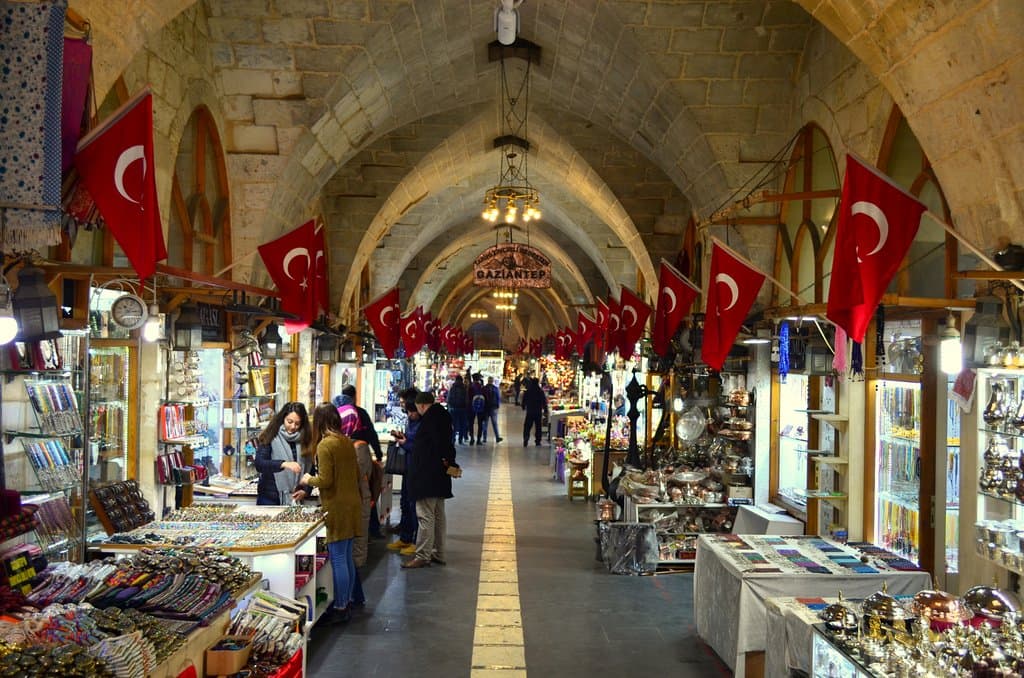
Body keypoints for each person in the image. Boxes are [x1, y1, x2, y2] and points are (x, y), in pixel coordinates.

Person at [299, 403, 362, 624]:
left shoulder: (326, 445)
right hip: (352, 503)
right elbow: (354, 473)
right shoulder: (345, 441)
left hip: (336, 506)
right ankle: (349, 600)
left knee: (338, 558)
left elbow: (325, 480)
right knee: (346, 556)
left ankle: (341, 606)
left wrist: (308, 479)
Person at [402, 391, 456, 569]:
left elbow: (427, 450)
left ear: (422, 405)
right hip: (440, 476)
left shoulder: (429, 420)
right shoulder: (443, 416)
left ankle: (423, 555)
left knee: (425, 515)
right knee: (439, 515)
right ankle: (438, 552)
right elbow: (446, 446)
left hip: (427, 476)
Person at [334, 387, 384, 538]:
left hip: (345, 466)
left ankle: (357, 534)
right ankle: (371, 531)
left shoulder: (336, 414)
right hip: (362, 458)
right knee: (366, 494)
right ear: (354, 396)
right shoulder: (359, 413)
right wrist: (379, 454)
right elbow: (371, 434)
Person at [337, 404, 373, 609]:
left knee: (354, 551)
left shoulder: (358, 446)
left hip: (358, 503)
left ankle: (353, 597)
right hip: (355, 502)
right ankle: (354, 595)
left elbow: (356, 475)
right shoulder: (346, 444)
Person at [254, 402, 312, 505]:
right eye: (289, 422)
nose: (293, 426)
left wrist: (306, 491)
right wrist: (284, 464)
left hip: (295, 498)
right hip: (269, 498)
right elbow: (260, 463)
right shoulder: (270, 435)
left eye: (297, 423)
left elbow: (310, 471)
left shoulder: (305, 439)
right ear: (282, 419)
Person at [387, 388, 420, 555]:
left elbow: (418, 447)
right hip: (408, 467)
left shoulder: (423, 424)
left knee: (414, 506)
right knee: (405, 504)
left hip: (416, 469)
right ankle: (405, 537)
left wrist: (405, 443)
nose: (408, 415)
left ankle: (415, 541)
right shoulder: (412, 422)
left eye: (410, 411)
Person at [521, 377, 548, 446]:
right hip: (538, 411)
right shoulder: (540, 391)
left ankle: (526, 438)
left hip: (530, 411)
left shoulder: (528, 390)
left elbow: (524, 399)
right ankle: (538, 441)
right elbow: (543, 401)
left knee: (527, 426)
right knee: (538, 426)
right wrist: (545, 409)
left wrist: (523, 406)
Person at [447, 375, 468, 444]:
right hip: (462, 408)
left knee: (453, 424)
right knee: (462, 424)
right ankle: (460, 439)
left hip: (453, 408)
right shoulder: (464, 388)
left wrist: (449, 406)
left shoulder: (452, 388)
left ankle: (453, 439)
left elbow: (449, 398)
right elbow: (466, 399)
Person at [483, 376, 503, 443]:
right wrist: (498, 405)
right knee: (494, 423)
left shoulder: (484, 388)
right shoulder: (495, 389)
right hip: (493, 408)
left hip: (486, 408)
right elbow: (498, 398)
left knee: (485, 423)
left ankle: (484, 438)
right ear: (492, 381)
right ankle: (497, 437)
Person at [468, 373, 486, 445]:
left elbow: (468, 398)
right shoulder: (481, 387)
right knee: (480, 424)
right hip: (481, 407)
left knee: (471, 423)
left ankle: (472, 438)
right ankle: (479, 439)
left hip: (471, 407)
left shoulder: (470, 387)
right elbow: (485, 397)